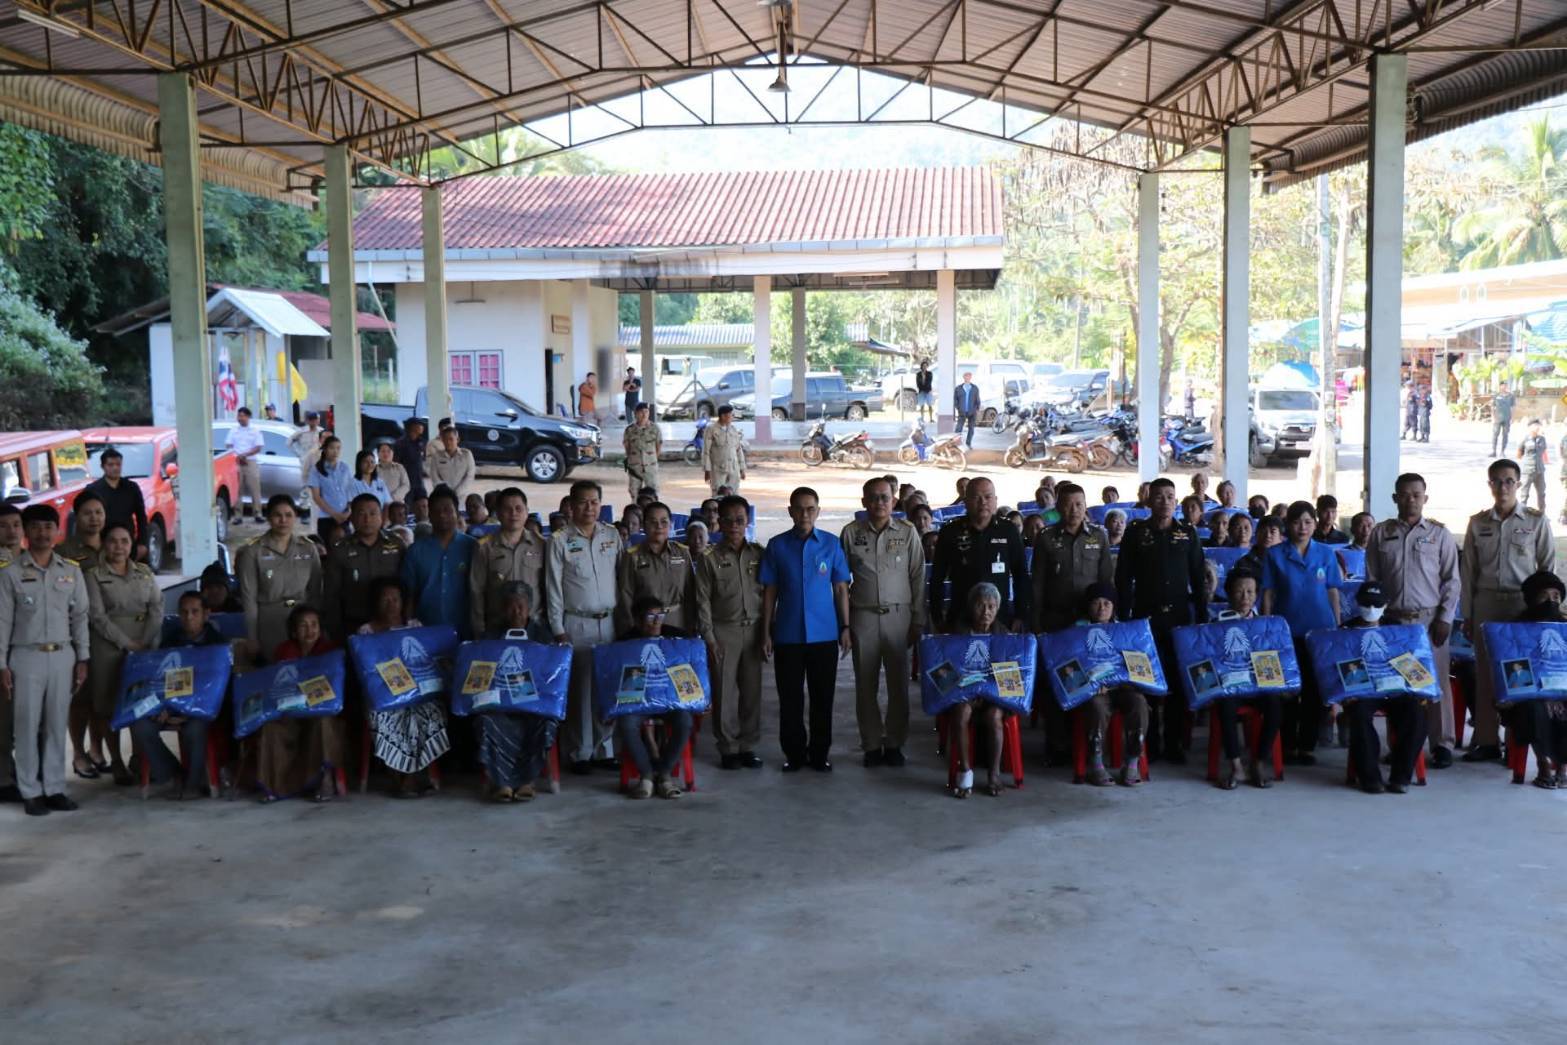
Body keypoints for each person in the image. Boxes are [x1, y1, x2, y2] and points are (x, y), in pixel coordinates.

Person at [1460, 457, 1556, 762]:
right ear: (1490, 485)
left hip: (1521, 606)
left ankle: (1518, 744)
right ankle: (1487, 740)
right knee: (1486, 674)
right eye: (1497, 481)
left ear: (1518, 484)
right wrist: (1468, 614)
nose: (1503, 487)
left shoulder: (1536, 521)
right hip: (1486, 603)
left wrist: (1545, 612)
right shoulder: (1478, 523)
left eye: (1509, 481)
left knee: (1521, 675)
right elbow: (1468, 572)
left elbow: (1547, 570)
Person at [0, 504, 90, 816]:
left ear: (57, 531)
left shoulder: (70, 570)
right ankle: (30, 791)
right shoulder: (10, 574)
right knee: (26, 725)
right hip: (25, 657)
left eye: (48, 527)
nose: (42, 533)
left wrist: (83, 658)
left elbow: (80, 618)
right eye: (35, 527)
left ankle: (54, 788)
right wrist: (2, 664)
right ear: (26, 532)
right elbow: (2, 622)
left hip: (63, 656)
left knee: (55, 724)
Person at [1364, 473, 1459, 766]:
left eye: (1417, 495)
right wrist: (1374, 619)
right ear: (1395, 498)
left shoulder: (1439, 534)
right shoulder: (1381, 533)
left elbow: (1452, 581)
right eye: (1404, 495)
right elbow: (1371, 580)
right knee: (1398, 687)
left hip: (1429, 622)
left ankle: (1442, 743)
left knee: (1435, 683)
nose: (1411, 500)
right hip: (1392, 622)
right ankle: (1401, 745)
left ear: (1425, 498)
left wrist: (1445, 618)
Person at [1114, 477, 1206, 763]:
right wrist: (1126, 617)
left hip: (1179, 618)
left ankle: (1175, 743)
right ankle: (1150, 744)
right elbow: (1123, 578)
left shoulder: (1187, 533)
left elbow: (1198, 579)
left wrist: (1200, 617)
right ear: (1148, 501)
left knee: (1177, 684)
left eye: (1169, 497)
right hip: (1145, 619)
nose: (1164, 502)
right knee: (1149, 682)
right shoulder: (1136, 532)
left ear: (1176, 502)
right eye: (1158, 497)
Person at [761, 486, 851, 772]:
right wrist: (766, 631)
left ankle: (819, 753)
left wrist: (845, 626)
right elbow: (770, 592)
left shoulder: (831, 544)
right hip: (788, 634)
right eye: (799, 508)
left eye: (810, 508)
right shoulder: (777, 546)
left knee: (822, 698)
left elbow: (840, 588)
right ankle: (794, 754)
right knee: (790, 699)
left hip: (824, 634)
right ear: (789, 511)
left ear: (818, 511)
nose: (804, 514)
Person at [841, 477, 925, 768]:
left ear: (894, 501)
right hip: (862, 615)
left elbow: (917, 576)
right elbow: (840, 582)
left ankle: (894, 743)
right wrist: (844, 625)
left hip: (899, 616)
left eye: (885, 497)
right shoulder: (851, 533)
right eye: (873, 498)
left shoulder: (907, 532)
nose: (879, 503)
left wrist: (918, 618)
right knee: (866, 684)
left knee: (898, 685)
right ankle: (872, 744)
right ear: (863, 501)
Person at [547, 479, 622, 773]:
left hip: (610, 622)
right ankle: (581, 752)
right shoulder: (560, 540)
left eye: (594, 502)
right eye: (582, 502)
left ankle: (606, 749)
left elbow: (620, 578)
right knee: (581, 691)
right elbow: (553, 586)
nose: (589, 508)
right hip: (576, 623)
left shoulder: (612, 535)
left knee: (607, 687)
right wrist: (557, 628)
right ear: (570, 505)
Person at [1261, 501, 1343, 765]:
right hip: (1286, 632)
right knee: (1287, 691)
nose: (1303, 527)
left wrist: (1337, 625)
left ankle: (1306, 746)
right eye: (1297, 522)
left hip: (1319, 632)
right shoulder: (1275, 555)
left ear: (1315, 524)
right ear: (1288, 525)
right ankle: (1286, 745)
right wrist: (1266, 627)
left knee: (1314, 690)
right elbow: (1268, 594)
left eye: (1308, 522)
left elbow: (1332, 591)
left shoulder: (1325, 554)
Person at [82, 523, 162, 786]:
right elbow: (97, 615)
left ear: (132, 544)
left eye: (125, 541)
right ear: (105, 544)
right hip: (108, 645)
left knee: (141, 701)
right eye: (113, 541)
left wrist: (147, 642)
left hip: (144, 643)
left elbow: (156, 608)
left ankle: (140, 759)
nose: (119, 547)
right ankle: (116, 760)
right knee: (107, 705)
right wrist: (127, 643)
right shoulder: (93, 575)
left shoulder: (145, 572)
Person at [357, 576, 448, 798]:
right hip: (382, 698)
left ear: (403, 602)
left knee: (428, 713)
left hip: (417, 696)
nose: (390, 604)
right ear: (376, 603)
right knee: (389, 717)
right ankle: (401, 778)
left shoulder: (415, 627)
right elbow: (365, 672)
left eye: (395, 599)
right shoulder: (366, 632)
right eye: (385, 599)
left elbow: (428, 662)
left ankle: (413, 776)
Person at [1336, 581, 1428, 794]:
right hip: (1362, 692)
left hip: (1395, 689)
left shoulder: (1396, 628)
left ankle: (1401, 776)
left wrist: (1421, 688)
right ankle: (1370, 778)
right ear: (1357, 603)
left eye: (1376, 605)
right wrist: (1344, 695)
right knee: (1358, 715)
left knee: (1416, 713)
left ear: (1386, 605)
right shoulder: (1345, 631)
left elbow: (1411, 661)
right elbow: (1337, 668)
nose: (1371, 610)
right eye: (1366, 604)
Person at [695, 495, 765, 770]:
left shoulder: (759, 553)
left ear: (747, 521)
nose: (734, 525)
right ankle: (727, 747)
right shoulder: (709, 558)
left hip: (755, 629)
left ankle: (748, 745)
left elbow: (770, 593)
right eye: (727, 520)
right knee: (723, 691)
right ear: (718, 522)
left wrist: (768, 632)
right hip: (724, 630)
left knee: (752, 691)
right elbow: (702, 601)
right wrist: (709, 637)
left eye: (739, 520)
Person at [475, 581, 558, 802]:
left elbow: (551, 675)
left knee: (544, 722)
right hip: (499, 703)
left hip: (533, 703)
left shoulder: (542, 635)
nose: (517, 611)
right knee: (487, 720)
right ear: (503, 609)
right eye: (511, 606)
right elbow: (481, 672)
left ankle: (526, 781)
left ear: (529, 607)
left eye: (521, 605)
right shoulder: (491, 636)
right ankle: (501, 782)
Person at [136, 591, 222, 799]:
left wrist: (187, 712)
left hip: (202, 709)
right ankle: (173, 773)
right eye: (184, 612)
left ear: (206, 614)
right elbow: (159, 680)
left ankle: (193, 784)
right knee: (141, 726)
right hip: (170, 706)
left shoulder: (217, 644)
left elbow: (215, 688)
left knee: (195, 729)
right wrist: (163, 708)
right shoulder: (170, 641)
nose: (189, 617)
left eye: (195, 612)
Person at [258, 605, 345, 802]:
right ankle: (274, 786)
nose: (310, 630)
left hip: (319, 713)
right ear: (294, 631)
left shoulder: (330, 652)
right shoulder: (284, 651)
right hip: (291, 714)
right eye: (303, 626)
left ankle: (325, 778)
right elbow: (278, 686)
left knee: (324, 723)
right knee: (270, 728)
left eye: (314, 625)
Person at [612, 594, 691, 799]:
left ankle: (665, 773)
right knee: (626, 723)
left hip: (668, 703)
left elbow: (692, 664)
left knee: (685, 721)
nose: (657, 622)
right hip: (638, 704)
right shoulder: (624, 643)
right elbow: (615, 678)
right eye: (650, 617)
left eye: (660, 616)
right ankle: (646, 775)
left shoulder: (676, 638)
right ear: (637, 620)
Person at [1210, 568, 1281, 789]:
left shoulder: (1266, 625)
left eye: (1250, 592)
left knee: (1275, 705)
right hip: (1231, 687)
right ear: (1229, 593)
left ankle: (1258, 762)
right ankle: (1236, 766)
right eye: (1239, 592)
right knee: (1226, 707)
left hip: (1259, 688)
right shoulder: (1216, 625)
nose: (1245, 597)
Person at [929, 477, 1030, 632]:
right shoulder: (950, 531)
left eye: (988, 497)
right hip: (960, 619)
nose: (983, 502)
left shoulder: (1008, 530)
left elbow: (1021, 575)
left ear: (995, 500)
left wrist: (1021, 614)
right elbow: (937, 578)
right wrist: (937, 616)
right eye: (976, 497)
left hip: (999, 619)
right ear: (965, 501)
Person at [237, 494, 323, 663]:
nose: (283, 520)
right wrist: (252, 637)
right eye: (277, 515)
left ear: (295, 517)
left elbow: (316, 592)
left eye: (288, 515)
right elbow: (249, 598)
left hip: (304, 623)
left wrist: (316, 626)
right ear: (268, 517)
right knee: (277, 672)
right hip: (271, 621)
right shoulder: (253, 551)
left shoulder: (308, 548)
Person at [1077, 582, 1148, 787]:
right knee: (1097, 706)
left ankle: (1132, 761)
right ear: (1088, 606)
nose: (1102, 608)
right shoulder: (1078, 631)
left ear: (1114, 606)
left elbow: (1135, 663)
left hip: (1123, 688)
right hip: (1095, 691)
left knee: (1139, 703)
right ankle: (1096, 763)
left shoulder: (1123, 630)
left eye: (1107, 603)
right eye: (1096, 603)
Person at [946, 582, 1010, 798]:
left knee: (994, 717)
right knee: (962, 711)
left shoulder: (1003, 634)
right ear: (971, 607)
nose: (986, 612)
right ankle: (965, 772)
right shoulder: (959, 633)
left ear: (997, 609)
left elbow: (1009, 677)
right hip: (964, 695)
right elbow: (949, 671)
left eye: (991, 606)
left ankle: (994, 774)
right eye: (981, 606)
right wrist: (969, 692)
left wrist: (988, 694)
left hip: (995, 698)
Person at [469, 487, 547, 642]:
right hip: (497, 627)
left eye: (519, 508)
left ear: (527, 511)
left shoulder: (541, 544)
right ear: (497, 513)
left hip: (533, 626)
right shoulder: (485, 547)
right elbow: (476, 590)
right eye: (507, 509)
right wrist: (479, 628)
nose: (513, 513)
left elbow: (548, 587)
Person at [1512, 571, 1567, 788]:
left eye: (1556, 596)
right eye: (1544, 596)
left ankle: (1563, 766)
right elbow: (1513, 671)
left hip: (1563, 692)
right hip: (1529, 694)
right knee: (1532, 707)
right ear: (1532, 599)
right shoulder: (1516, 629)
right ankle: (1543, 764)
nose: (1551, 601)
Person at [322, 494, 404, 638]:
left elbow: (405, 584)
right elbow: (331, 596)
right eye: (361, 514)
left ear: (381, 516)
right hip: (354, 623)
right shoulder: (340, 550)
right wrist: (334, 630)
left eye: (373, 513)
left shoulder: (397, 545)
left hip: (391, 624)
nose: (367, 519)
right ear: (352, 518)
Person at [400, 484, 477, 638]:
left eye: (447, 510)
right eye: (436, 511)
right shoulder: (415, 551)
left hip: (465, 630)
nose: (442, 515)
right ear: (429, 515)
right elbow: (409, 594)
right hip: (425, 630)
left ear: (457, 513)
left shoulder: (473, 547)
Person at [615, 502, 694, 634]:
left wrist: (692, 623)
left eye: (664, 522)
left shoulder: (682, 553)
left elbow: (690, 592)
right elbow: (625, 596)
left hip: (678, 622)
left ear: (670, 525)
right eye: (653, 522)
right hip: (646, 625)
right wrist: (631, 627)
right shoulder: (632, 556)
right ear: (644, 526)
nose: (659, 527)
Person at [86, 446, 149, 559]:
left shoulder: (131, 488)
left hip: (127, 543)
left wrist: (143, 543)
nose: (115, 468)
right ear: (103, 466)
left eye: (118, 464)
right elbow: (85, 519)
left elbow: (141, 517)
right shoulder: (92, 490)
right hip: (102, 544)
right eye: (110, 465)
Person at [306, 435, 355, 540]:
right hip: (326, 517)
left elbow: (351, 491)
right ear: (325, 449)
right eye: (332, 448)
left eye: (338, 448)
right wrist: (335, 515)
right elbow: (317, 497)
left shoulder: (345, 468)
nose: (335, 451)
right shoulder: (316, 470)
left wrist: (349, 511)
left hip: (345, 516)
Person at [225, 407, 266, 524]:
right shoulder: (233, 430)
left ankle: (258, 513)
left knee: (255, 489)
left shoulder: (255, 430)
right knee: (238, 489)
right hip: (236, 461)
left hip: (250, 461)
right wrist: (237, 455)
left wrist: (245, 455)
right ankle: (238, 516)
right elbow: (228, 444)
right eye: (239, 416)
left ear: (248, 417)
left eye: (242, 416)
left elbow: (258, 447)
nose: (240, 418)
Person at [702, 404, 747, 496]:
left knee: (734, 495)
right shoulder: (711, 429)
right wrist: (707, 470)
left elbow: (738, 450)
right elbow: (706, 451)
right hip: (718, 469)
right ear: (723, 416)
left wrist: (742, 468)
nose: (732, 417)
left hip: (733, 468)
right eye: (730, 415)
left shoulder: (733, 429)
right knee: (718, 494)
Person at [59, 490, 107, 570]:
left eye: (98, 512)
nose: (94, 518)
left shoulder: (113, 545)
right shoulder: (63, 551)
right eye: (87, 513)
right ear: (76, 517)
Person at [623, 401, 661, 501]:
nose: (644, 415)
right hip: (635, 468)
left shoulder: (655, 428)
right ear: (635, 414)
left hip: (650, 467)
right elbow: (627, 447)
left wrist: (651, 459)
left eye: (646, 412)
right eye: (641, 412)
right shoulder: (629, 430)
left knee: (653, 493)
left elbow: (658, 446)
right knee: (634, 494)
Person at [427, 425, 476, 503]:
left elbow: (469, 476)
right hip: (443, 496)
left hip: (461, 497)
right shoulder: (436, 456)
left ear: (457, 439)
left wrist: (457, 493)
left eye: (451, 439)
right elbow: (434, 477)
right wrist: (445, 492)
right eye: (445, 439)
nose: (448, 442)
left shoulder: (466, 455)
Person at [392, 417, 429, 508]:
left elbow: (422, 459)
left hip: (419, 481)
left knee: (423, 504)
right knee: (409, 506)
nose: (419, 435)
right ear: (410, 429)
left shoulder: (420, 442)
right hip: (407, 481)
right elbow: (396, 464)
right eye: (416, 431)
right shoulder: (400, 444)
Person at [1518, 418, 1549, 513]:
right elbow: (1519, 453)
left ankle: (1542, 513)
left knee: (1541, 493)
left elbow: (1543, 452)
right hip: (1527, 470)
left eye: (1538, 426)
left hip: (1539, 471)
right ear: (1530, 427)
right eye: (1535, 426)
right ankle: (1521, 514)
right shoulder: (1525, 439)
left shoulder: (1542, 439)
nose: (1537, 428)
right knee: (1524, 494)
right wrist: (1526, 463)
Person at [375, 442, 410, 507]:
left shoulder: (399, 467)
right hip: (379, 505)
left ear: (393, 453)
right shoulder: (374, 469)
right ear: (378, 454)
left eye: (388, 451)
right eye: (383, 451)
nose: (386, 453)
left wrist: (393, 498)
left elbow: (406, 485)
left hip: (397, 504)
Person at [953, 371, 981, 449]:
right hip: (962, 412)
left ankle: (968, 443)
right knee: (959, 428)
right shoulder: (958, 388)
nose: (967, 377)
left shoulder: (975, 388)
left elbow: (977, 400)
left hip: (972, 412)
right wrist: (958, 408)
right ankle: (956, 444)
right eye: (966, 376)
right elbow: (955, 400)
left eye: (969, 376)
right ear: (963, 377)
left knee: (971, 428)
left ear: (971, 377)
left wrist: (977, 409)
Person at [1491, 385, 1515, 457]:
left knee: (1505, 435)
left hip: (1507, 418)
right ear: (1500, 387)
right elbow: (1493, 407)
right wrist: (1493, 417)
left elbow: (1513, 407)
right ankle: (1494, 451)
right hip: (1497, 418)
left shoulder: (1511, 396)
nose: (1504, 387)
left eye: (1505, 386)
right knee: (1495, 434)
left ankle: (1502, 452)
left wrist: (1512, 418)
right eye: (1502, 386)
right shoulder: (1496, 395)